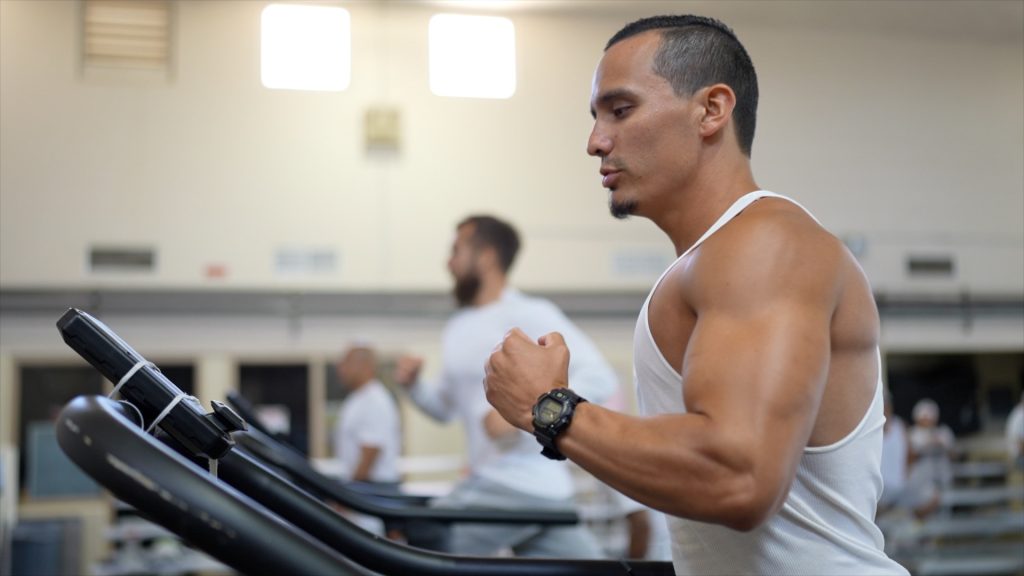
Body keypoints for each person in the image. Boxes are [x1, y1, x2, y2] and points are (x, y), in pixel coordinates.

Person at [483, 15, 909, 575]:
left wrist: (550, 409)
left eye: (621, 109)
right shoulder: (711, 260)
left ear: (711, 110)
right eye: (595, 117)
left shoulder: (765, 242)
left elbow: (738, 477)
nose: (595, 142)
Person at [394, 214, 615, 558]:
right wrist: (414, 387)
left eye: (456, 250)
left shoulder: (530, 312)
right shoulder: (457, 328)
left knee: (430, 537)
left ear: (486, 256)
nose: (448, 262)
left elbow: (599, 376)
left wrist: (532, 409)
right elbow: (445, 409)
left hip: (518, 483)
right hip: (528, 492)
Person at [333, 344, 402, 535]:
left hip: (372, 490)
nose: (341, 369)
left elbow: (370, 452)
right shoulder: (358, 399)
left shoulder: (375, 400)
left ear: (364, 366)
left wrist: (345, 496)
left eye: (346, 363)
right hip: (363, 488)